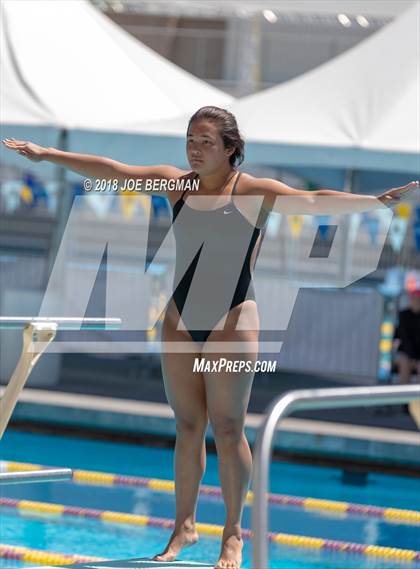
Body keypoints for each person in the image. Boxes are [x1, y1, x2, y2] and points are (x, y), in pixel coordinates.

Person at [3, 106, 419, 569]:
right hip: (180, 317)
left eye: (206, 142)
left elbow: (315, 201)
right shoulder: (176, 185)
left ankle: (234, 534)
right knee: (187, 426)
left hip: (233, 320)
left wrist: (375, 202)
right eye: (190, 140)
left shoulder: (253, 192)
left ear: (230, 149)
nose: (195, 150)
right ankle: (184, 526)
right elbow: (113, 170)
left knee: (228, 427)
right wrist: (46, 154)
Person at [393, 290, 420, 385]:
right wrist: (412, 356)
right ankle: (404, 395)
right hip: (406, 351)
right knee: (404, 363)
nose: (416, 301)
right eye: (414, 299)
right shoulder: (404, 315)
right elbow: (405, 337)